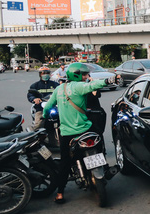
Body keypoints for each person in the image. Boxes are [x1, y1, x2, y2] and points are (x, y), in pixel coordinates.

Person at [42, 62, 115, 204]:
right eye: (85, 74)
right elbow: (93, 86)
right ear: (77, 75)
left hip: (67, 133)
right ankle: (104, 168)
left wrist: (45, 116)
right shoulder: (79, 86)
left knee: (65, 162)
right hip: (86, 129)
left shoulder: (58, 89)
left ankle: (60, 193)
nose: (87, 76)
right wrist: (109, 80)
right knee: (98, 144)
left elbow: (48, 107)